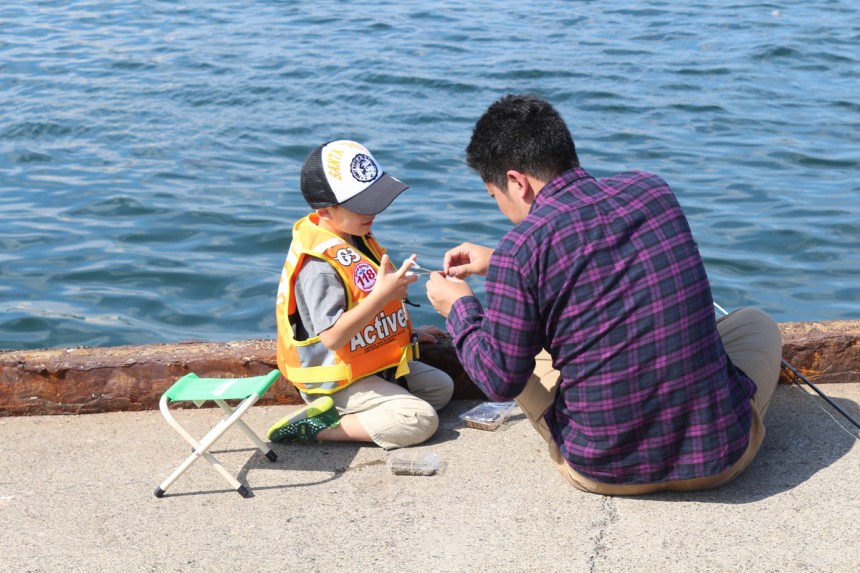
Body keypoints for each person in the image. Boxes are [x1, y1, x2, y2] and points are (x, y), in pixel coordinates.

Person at [426, 94, 783, 494]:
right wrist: (500, 262)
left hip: (605, 469)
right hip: (722, 457)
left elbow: (499, 381)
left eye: (495, 197)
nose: (501, 208)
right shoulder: (653, 190)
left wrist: (459, 307)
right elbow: (597, 253)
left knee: (505, 350)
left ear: (516, 182)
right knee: (757, 323)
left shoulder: (520, 250)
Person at [269, 139, 453, 450]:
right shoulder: (319, 265)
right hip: (335, 381)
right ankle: (316, 427)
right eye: (361, 204)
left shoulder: (355, 237)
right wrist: (382, 296)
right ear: (326, 209)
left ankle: (373, 410)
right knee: (420, 420)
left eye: (375, 199)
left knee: (441, 389)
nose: (373, 211)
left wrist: (410, 333)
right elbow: (331, 337)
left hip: (366, 365)